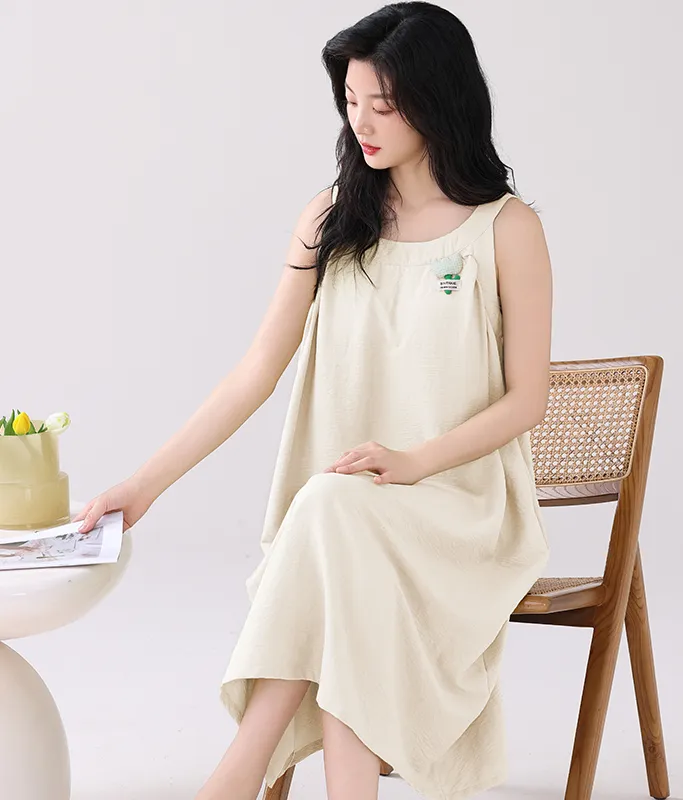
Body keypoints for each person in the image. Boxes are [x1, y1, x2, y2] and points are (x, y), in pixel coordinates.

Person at [72, 2, 554, 799]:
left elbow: (528, 399)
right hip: (343, 515)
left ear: (438, 100)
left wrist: (414, 461)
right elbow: (254, 373)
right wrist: (143, 485)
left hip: (458, 509)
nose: (361, 122)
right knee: (337, 522)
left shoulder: (506, 229)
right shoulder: (332, 220)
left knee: (332, 514)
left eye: (383, 104)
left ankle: (233, 778)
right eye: (351, 100)